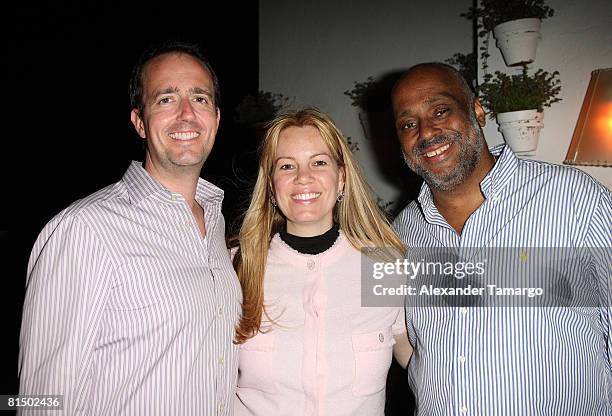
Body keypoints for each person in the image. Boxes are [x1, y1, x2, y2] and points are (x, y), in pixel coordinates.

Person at [18, 41, 241, 415]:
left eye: (200, 99)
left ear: (216, 119)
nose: (187, 114)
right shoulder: (85, 229)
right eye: (166, 99)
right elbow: (41, 400)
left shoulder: (219, 226)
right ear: (139, 121)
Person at [391, 62, 611, 414]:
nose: (426, 132)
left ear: (476, 110)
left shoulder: (575, 200)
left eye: (441, 110)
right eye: (407, 124)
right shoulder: (401, 233)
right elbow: (411, 348)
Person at [232, 107, 412, 415]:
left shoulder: (384, 265)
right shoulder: (237, 266)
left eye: (319, 162)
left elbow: (427, 363)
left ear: (341, 178)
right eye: (287, 166)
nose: (303, 177)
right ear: (272, 187)